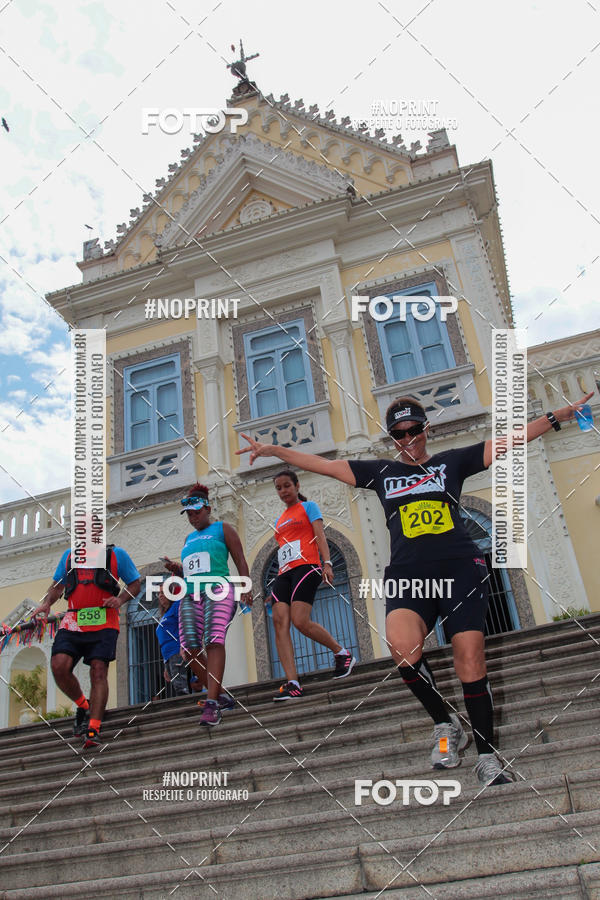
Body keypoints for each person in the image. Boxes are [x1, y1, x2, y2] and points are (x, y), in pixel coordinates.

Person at [238, 390, 594, 785]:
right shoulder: (382, 472)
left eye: (414, 430)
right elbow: (325, 465)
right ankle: (445, 723)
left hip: (459, 569)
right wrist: (274, 450)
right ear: (392, 438)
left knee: (469, 659)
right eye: (399, 433)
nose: (408, 439)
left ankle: (486, 757)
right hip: (409, 575)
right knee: (402, 648)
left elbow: (508, 440)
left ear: (426, 429)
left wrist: (556, 417)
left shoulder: (451, 462)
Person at [34, 543, 140, 748]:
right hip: (74, 621)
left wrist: (120, 600)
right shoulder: (69, 556)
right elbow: (57, 587)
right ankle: (84, 705)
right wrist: (47, 603)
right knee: (59, 665)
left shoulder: (116, 554)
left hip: (105, 621)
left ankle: (93, 727)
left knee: (98, 671)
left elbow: (135, 584)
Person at [163, 483, 251, 727]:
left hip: (219, 589)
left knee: (213, 640)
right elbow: (194, 570)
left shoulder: (223, 529)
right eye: (189, 515)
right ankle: (220, 695)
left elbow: (240, 559)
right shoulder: (188, 538)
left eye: (196, 513)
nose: (193, 518)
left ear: (208, 509)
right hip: (191, 594)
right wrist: (176, 569)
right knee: (189, 649)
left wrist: (245, 587)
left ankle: (211, 703)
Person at [269, 469, 356, 701]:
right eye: (278, 488)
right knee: (279, 622)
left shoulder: (309, 507)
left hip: (307, 566)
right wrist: (276, 586)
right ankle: (293, 683)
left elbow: (319, 536)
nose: (283, 491)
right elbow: (283, 550)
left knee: (299, 620)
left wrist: (327, 563)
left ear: (297, 486)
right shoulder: (279, 519)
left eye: (287, 486)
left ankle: (342, 653)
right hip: (284, 573)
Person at [156, 581, 189, 697]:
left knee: (180, 685)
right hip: (168, 655)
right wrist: (166, 665)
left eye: (163, 592)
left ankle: (186, 706)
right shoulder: (165, 614)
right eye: (159, 593)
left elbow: (184, 624)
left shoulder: (177, 606)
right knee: (177, 684)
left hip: (176, 651)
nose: (160, 595)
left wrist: (183, 646)